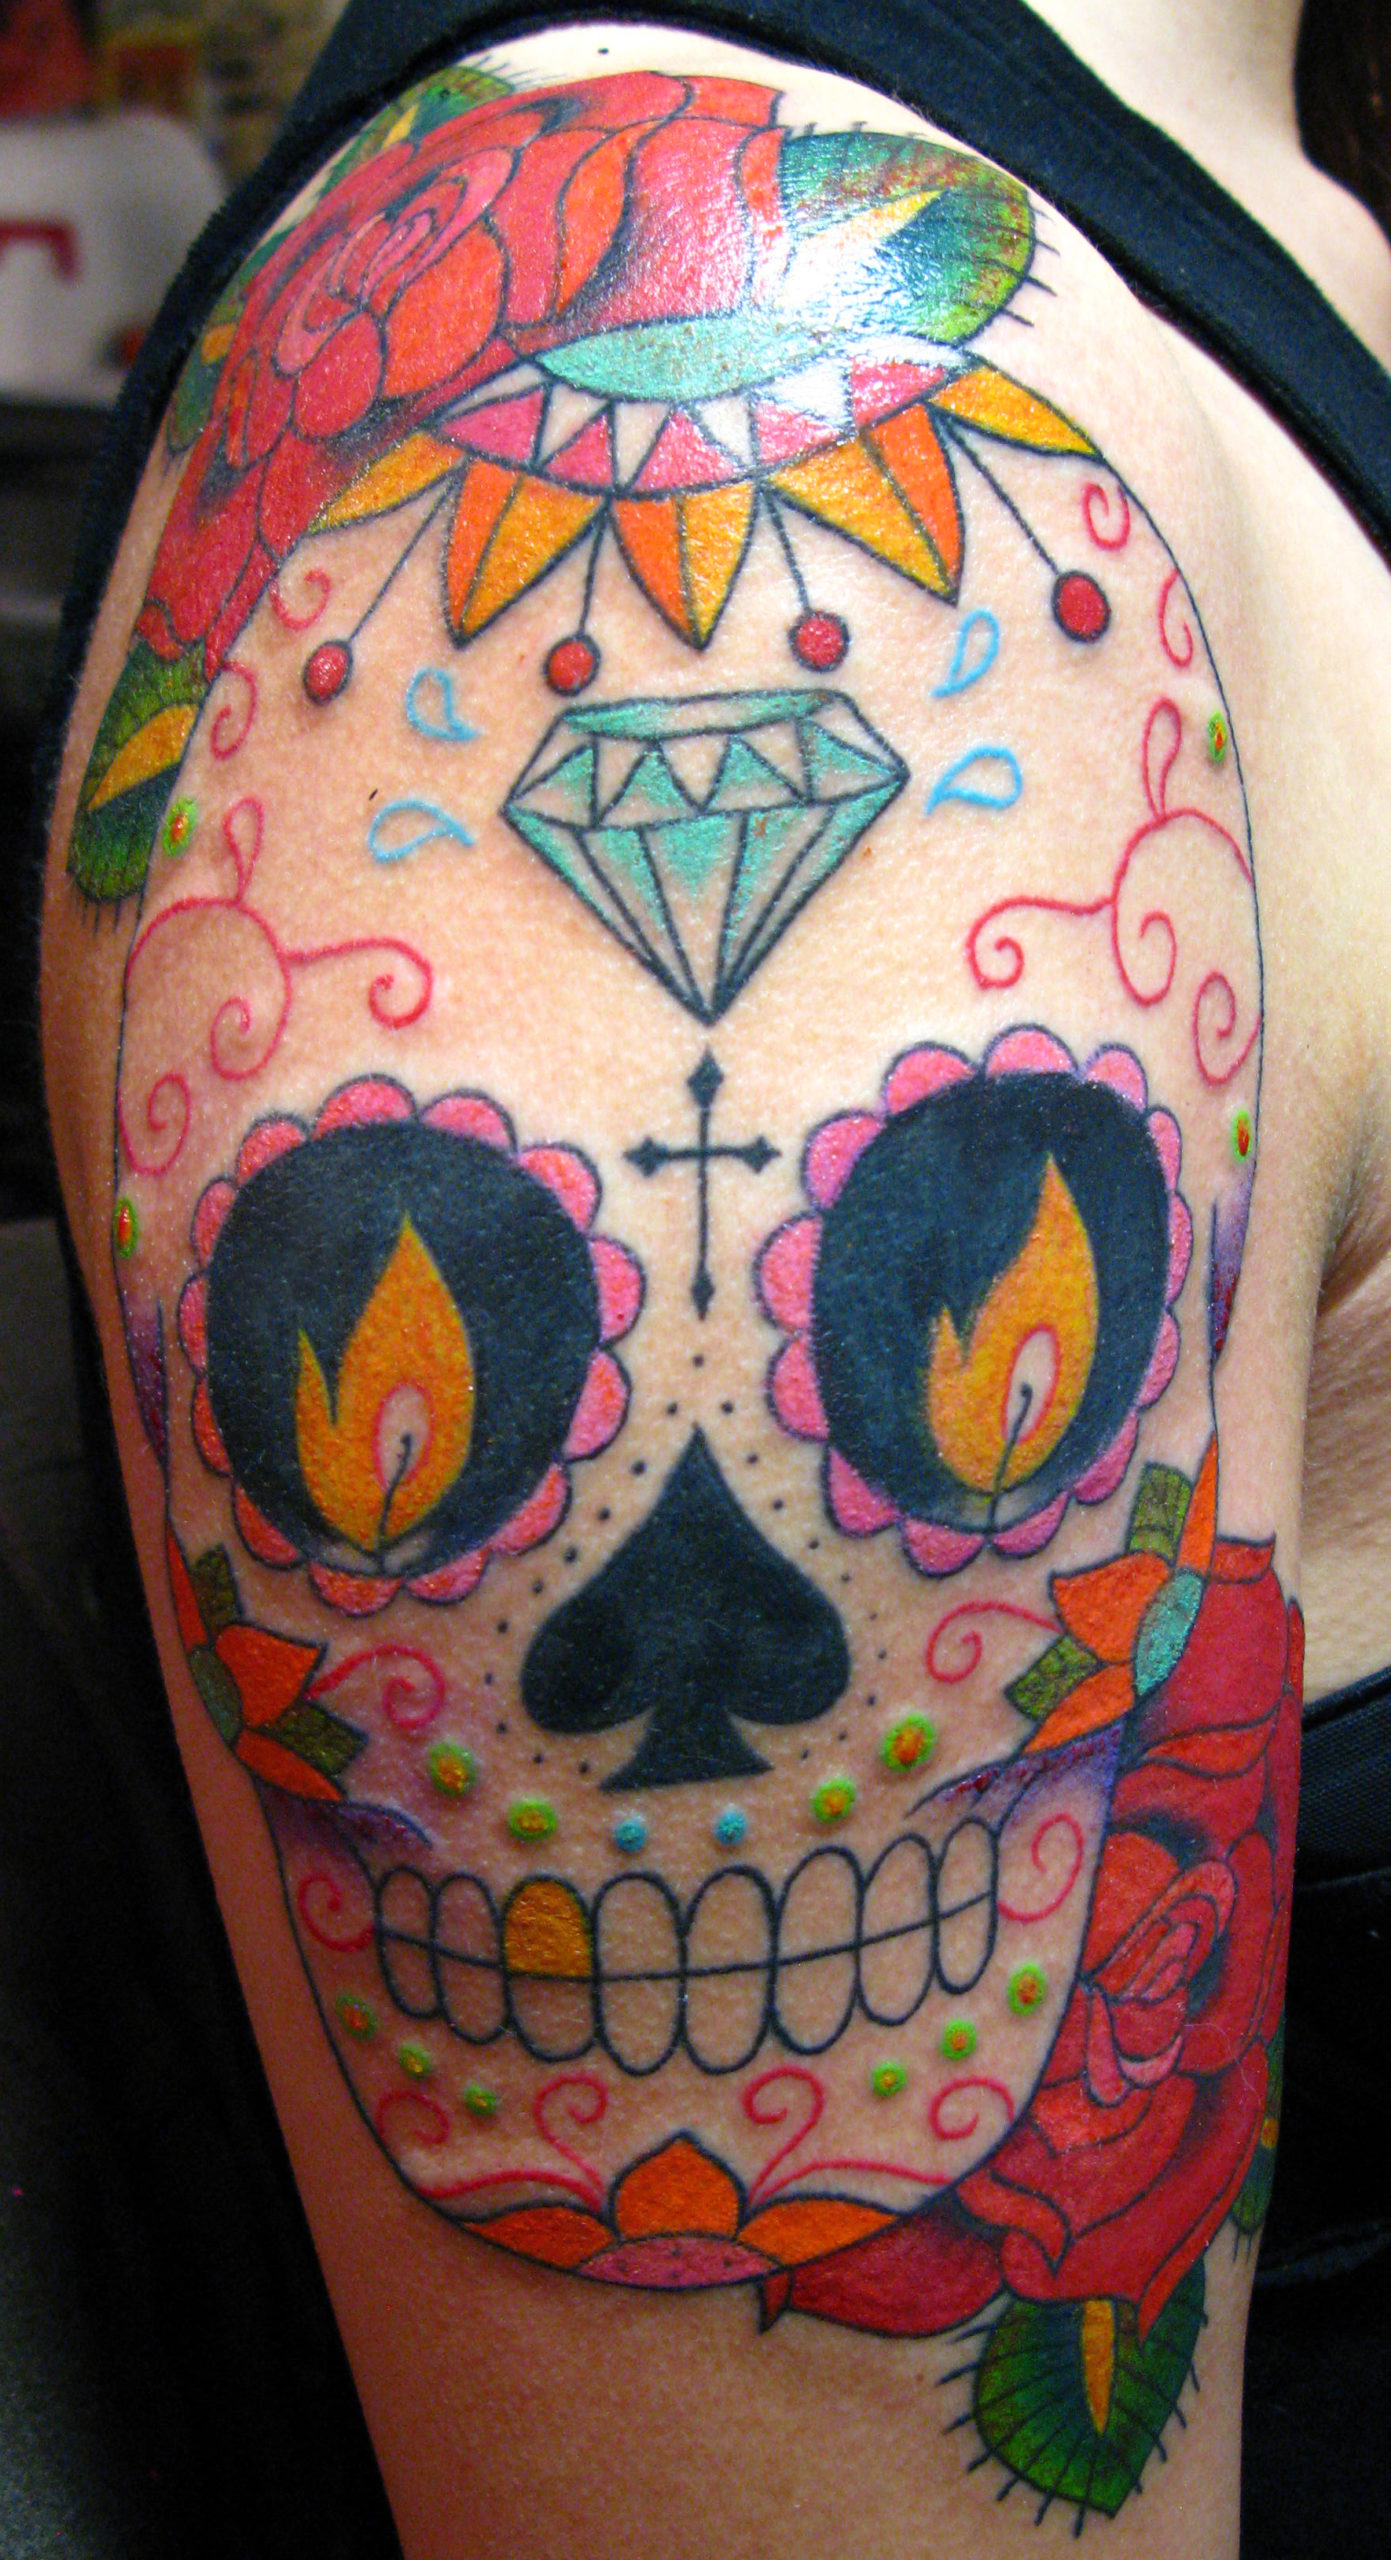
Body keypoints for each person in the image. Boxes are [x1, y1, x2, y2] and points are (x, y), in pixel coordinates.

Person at [35, 4, 1391, 2553]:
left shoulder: (1274, 237)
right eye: (411, 1429)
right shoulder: (777, 322)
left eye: (990, 1372)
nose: (694, 1654)